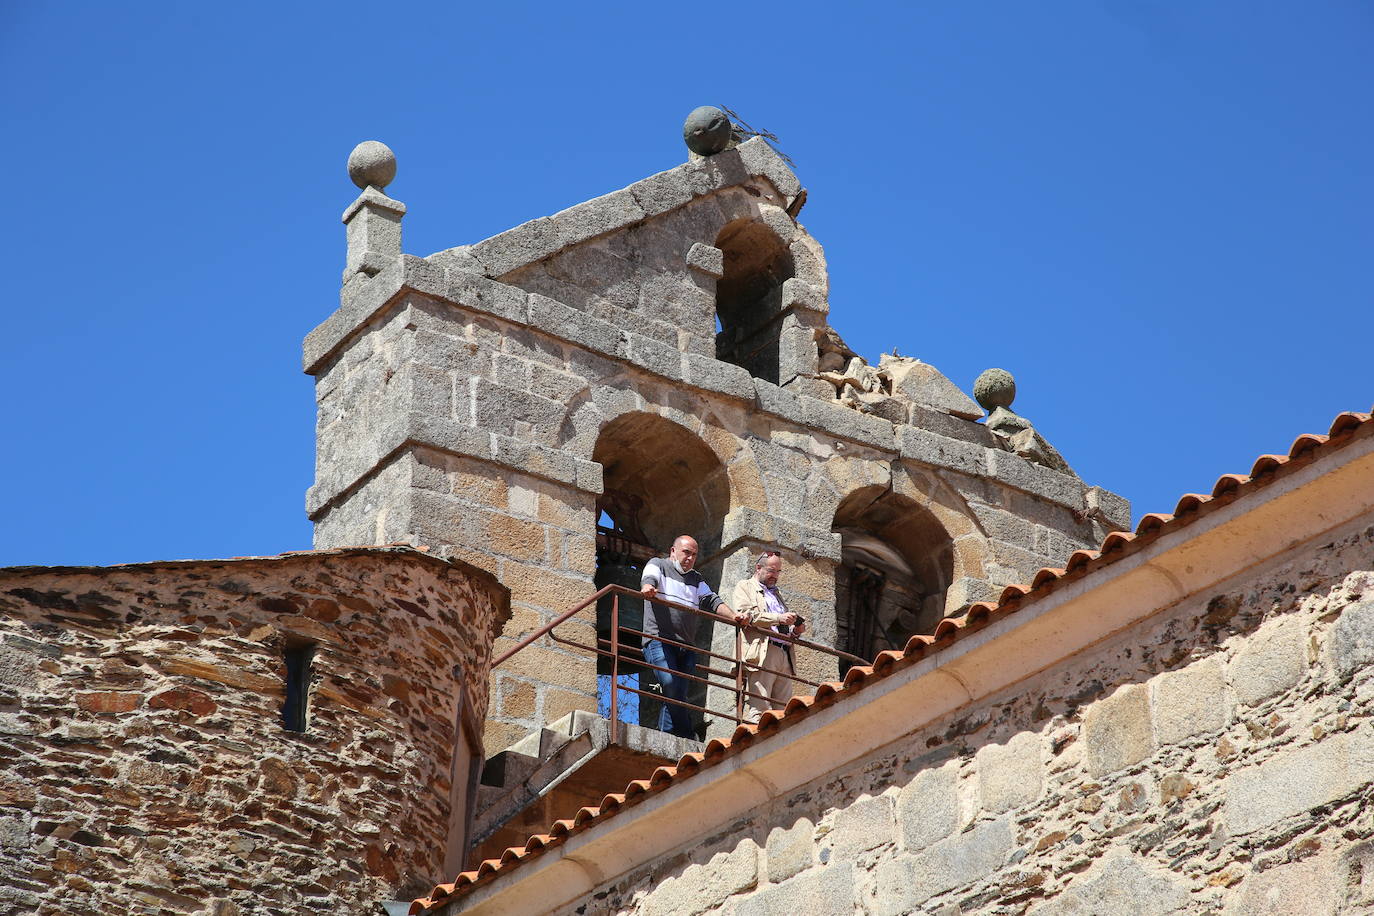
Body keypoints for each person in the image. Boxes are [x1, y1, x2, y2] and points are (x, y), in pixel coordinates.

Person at [639, 535, 733, 739]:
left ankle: (668, 737)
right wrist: (648, 587)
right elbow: (649, 578)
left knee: (677, 694)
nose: (690, 558)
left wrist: (735, 617)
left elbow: (712, 601)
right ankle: (687, 734)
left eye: (694, 554)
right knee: (671, 684)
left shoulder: (696, 578)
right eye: (686, 552)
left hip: (686, 646)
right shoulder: (659, 565)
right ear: (673, 551)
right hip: (659, 640)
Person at [730, 551, 806, 724]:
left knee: (783, 711)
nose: (775, 576)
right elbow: (746, 615)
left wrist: (795, 630)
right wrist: (778, 618)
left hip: (784, 654)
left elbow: (779, 625)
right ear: (758, 567)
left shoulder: (776, 594)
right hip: (763, 652)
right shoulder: (745, 586)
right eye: (772, 570)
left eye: (778, 572)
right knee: (759, 708)